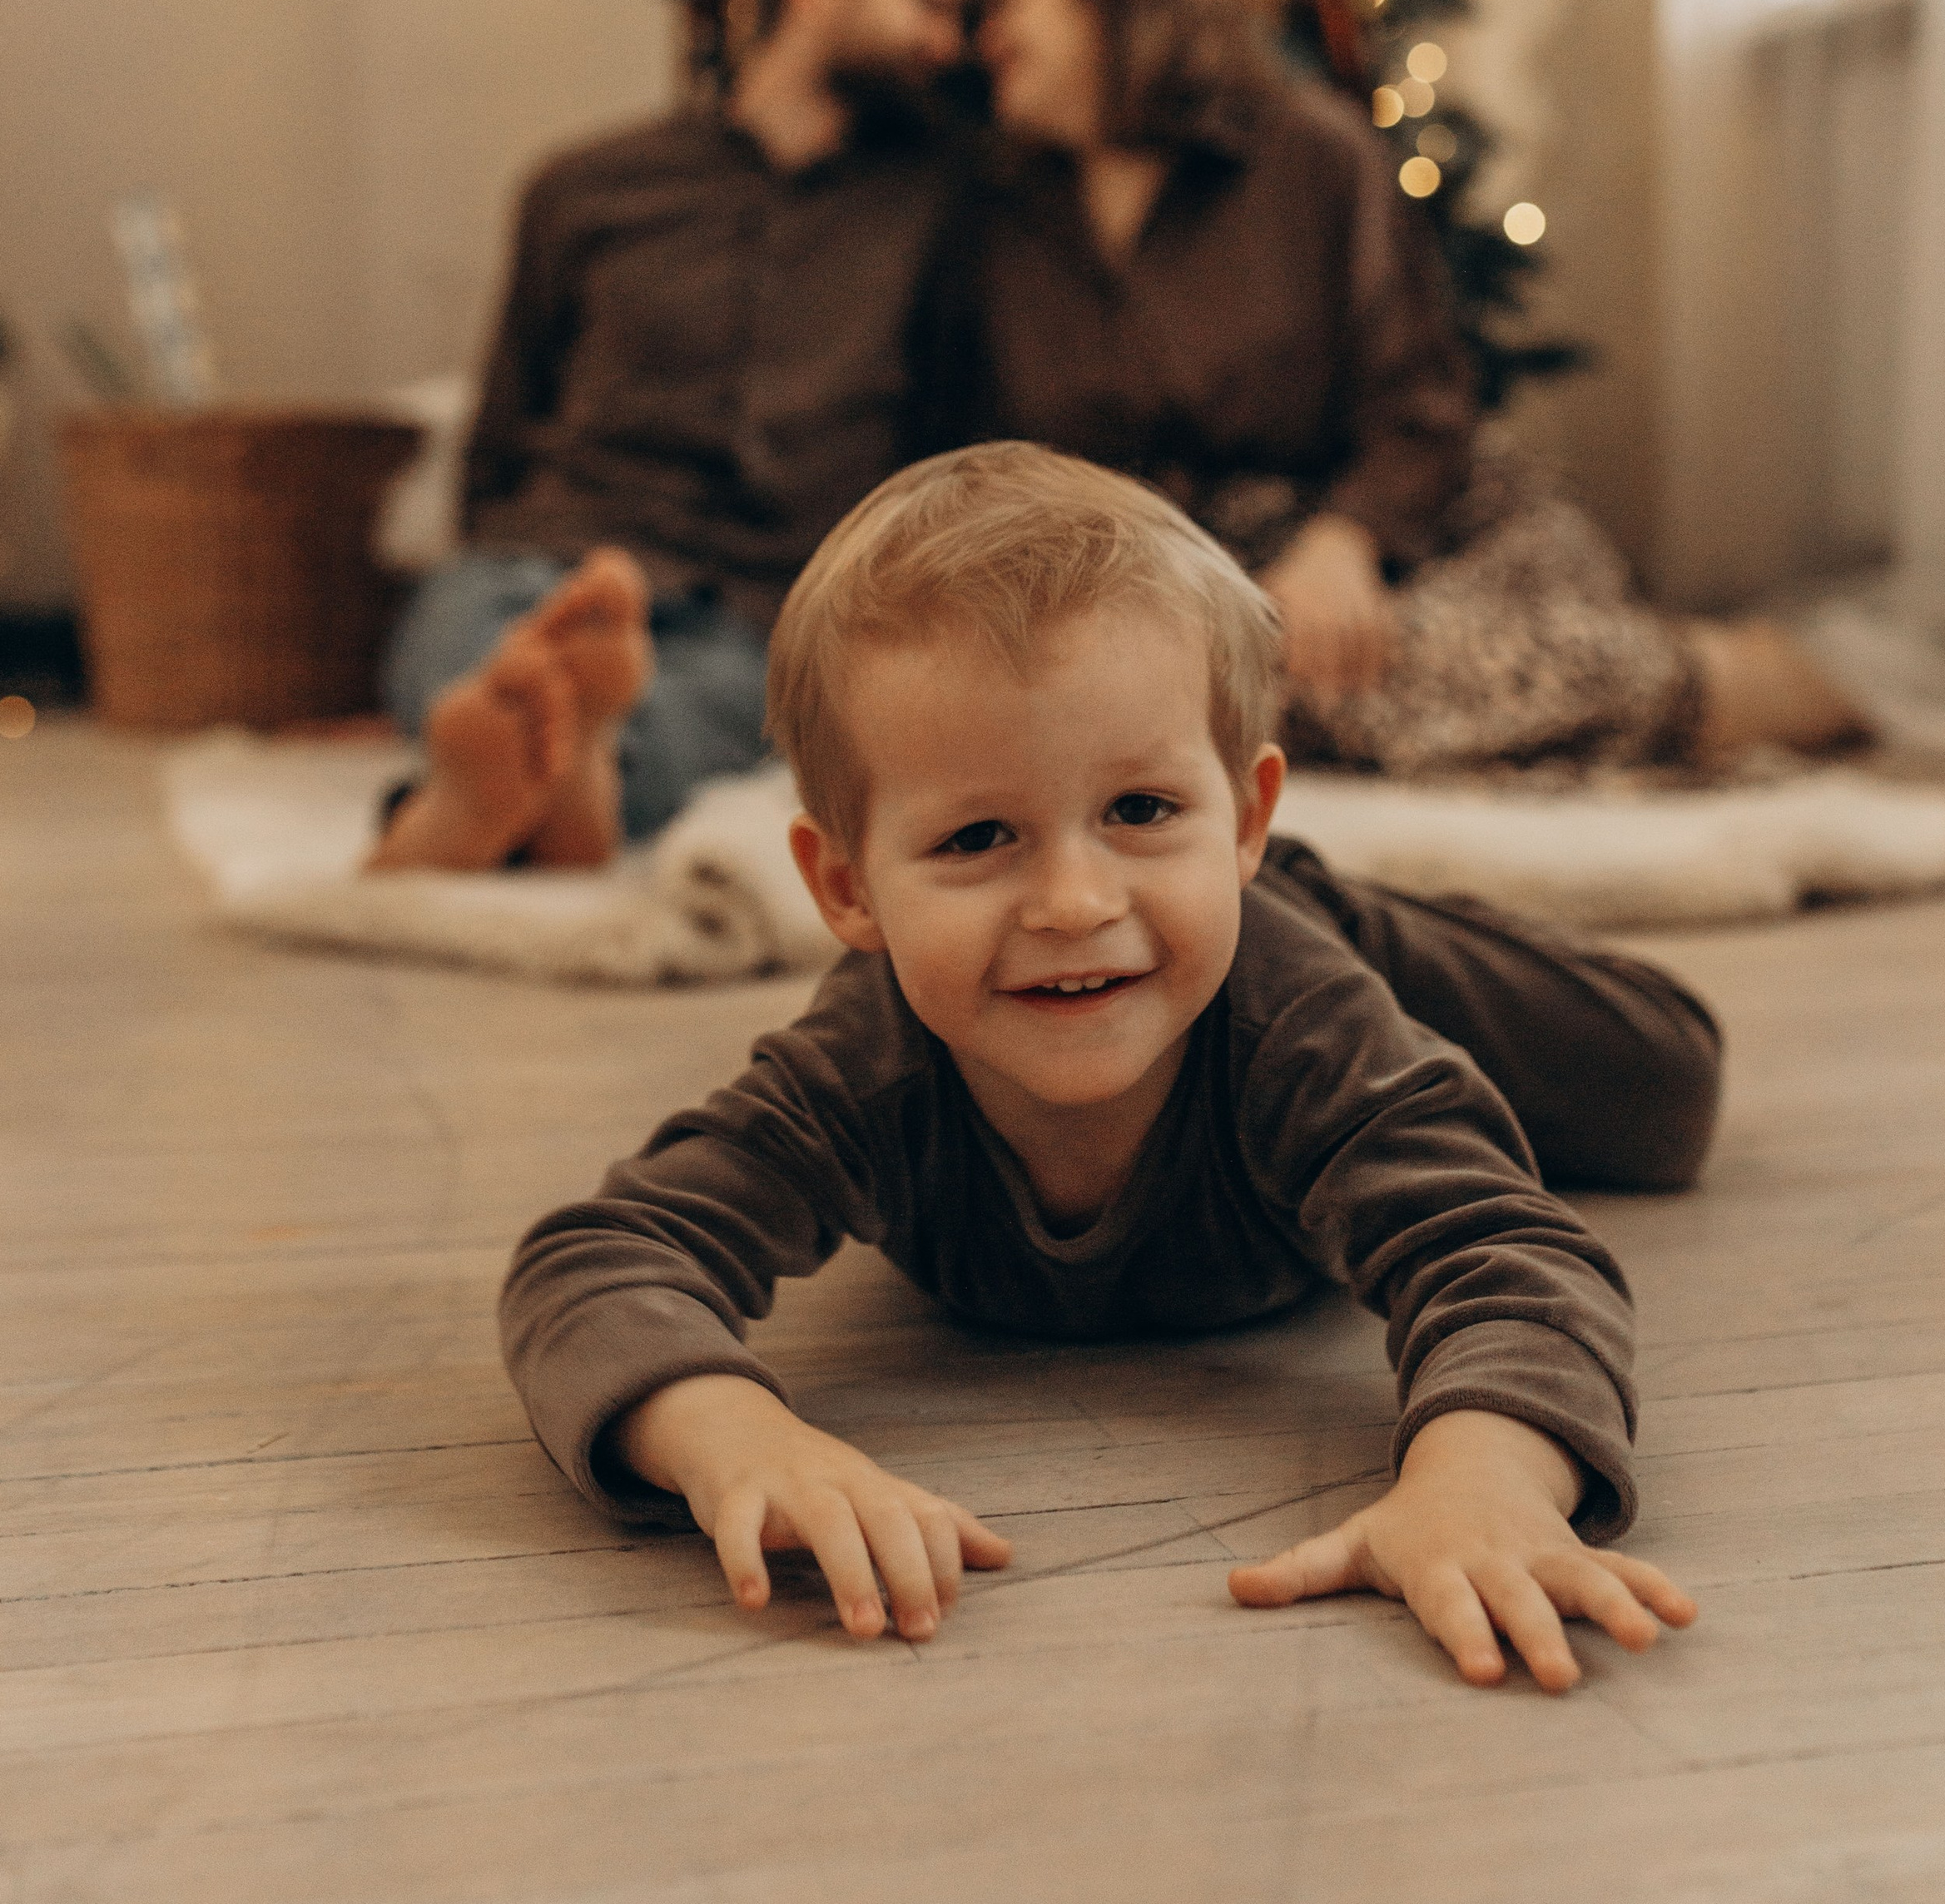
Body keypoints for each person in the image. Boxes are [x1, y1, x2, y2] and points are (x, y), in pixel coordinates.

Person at [500, 442, 1714, 1688]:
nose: (1075, 902)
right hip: (1219, 929)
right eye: (980, 836)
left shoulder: (1302, 1027)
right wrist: (735, 1436)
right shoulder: (867, 1064)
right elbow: (593, 1263)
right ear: (847, 887)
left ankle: (1327, 903)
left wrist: (1481, 1482)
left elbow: (1507, 1252)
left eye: (1141, 809)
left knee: (1669, 1092)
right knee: (1225, 939)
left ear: (1243, 815)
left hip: (1307, 948)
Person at [931, 0, 1863, 775]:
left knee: (1357, 669)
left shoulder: (1310, 156)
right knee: (1219, 696)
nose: (987, 36)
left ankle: (1729, 682)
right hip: (1197, 579)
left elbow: (1419, 399)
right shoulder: (999, 219)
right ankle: (1689, 679)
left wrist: (1343, 546)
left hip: (1415, 527)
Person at [371, 0, 970, 872]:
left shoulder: (938, 206)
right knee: (469, 648)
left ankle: (489, 803)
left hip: (760, 596)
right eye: (926, 1)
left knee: (730, 712)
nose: (945, 44)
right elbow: (506, 417)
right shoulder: (587, 185)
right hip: (553, 551)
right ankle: (547, 774)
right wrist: (495, 546)